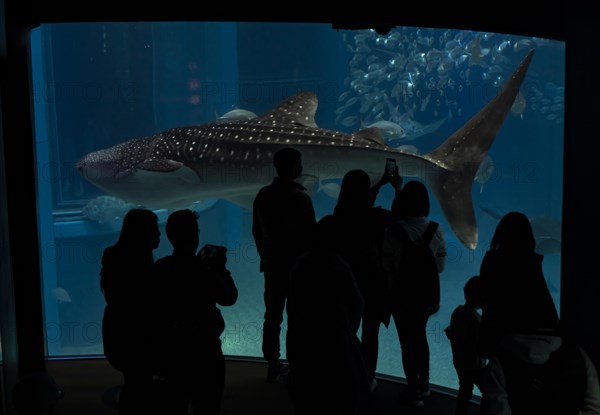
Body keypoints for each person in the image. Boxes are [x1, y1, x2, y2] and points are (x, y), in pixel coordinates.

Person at [153, 209, 238, 415]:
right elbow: (229, 298)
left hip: (174, 351)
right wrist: (220, 267)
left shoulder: (161, 268)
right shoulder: (205, 269)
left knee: (175, 406)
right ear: (195, 235)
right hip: (206, 350)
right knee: (208, 407)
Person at [287, 215, 369, 414]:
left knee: (307, 396)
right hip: (335, 339)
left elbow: (293, 308)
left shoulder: (299, 266)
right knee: (341, 394)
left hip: (304, 338)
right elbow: (357, 304)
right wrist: (349, 330)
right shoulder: (339, 266)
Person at [332, 167, 401, 392]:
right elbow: (400, 218)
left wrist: (378, 186)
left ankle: (343, 375)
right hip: (373, 284)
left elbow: (356, 205)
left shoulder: (338, 214)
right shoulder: (377, 218)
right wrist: (397, 188)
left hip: (345, 282)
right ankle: (367, 377)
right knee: (371, 334)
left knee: (346, 331)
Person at [252, 147, 317, 382]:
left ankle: (272, 363)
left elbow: (257, 232)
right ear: (293, 168)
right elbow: (312, 236)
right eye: (299, 164)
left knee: (272, 317)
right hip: (298, 268)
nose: (301, 169)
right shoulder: (301, 198)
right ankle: (296, 364)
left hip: (272, 266)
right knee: (297, 317)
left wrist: (266, 257)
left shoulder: (263, 195)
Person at [381, 180, 447, 407]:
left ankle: (413, 390)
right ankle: (425, 385)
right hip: (426, 298)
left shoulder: (392, 231)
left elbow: (387, 266)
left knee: (406, 343)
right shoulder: (436, 229)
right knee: (420, 337)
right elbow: (440, 267)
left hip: (401, 296)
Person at [99, 208, 161, 415]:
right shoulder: (145, 266)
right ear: (143, 233)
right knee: (139, 383)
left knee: (134, 383)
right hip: (137, 338)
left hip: (116, 331)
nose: (159, 234)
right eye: (154, 230)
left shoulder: (112, 255)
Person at [478, 211, 560, 358]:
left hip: (501, 335)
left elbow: (486, 299)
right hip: (529, 336)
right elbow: (543, 299)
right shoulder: (531, 262)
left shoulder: (491, 260)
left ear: (499, 234)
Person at [445, 275, 485, 415]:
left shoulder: (457, 312)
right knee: (488, 391)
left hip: (460, 363)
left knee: (465, 389)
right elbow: (481, 343)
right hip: (475, 365)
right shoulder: (476, 319)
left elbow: (452, 332)